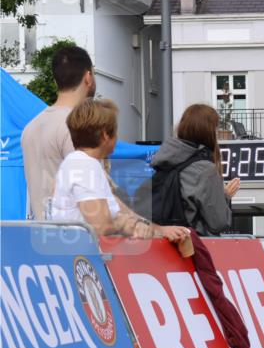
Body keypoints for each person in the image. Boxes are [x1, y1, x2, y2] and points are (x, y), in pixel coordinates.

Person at [48, 99, 189, 244]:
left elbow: (121, 210)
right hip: (83, 258)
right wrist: (129, 225)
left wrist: (159, 230)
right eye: (115, 131)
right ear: (105, 135)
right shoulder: (85, 165)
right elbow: (101, 226)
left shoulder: (81, 163)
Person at [22, 45, 96, 220]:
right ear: (88, 77)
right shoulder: (79, 127)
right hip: (75, 239)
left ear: (56, 82)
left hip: (39, 237)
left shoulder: (30, 128)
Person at [147, 104, 239, 235]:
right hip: (189, 246)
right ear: (209, 132)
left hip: (160, 242)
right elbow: (218, 222)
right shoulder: (206, 170)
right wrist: (225, 197)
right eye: (216, 130)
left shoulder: (164, 159)